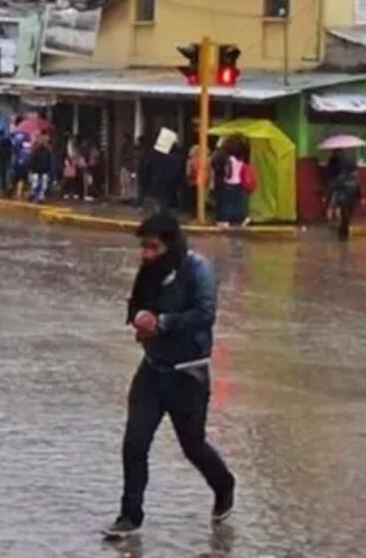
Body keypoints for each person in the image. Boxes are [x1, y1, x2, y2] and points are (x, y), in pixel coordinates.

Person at [106, 212, 236, 539]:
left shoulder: (198, 270)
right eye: (144, 247)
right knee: (134, 444)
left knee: (192, 444)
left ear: (170, 244)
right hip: (152, 371)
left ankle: (224, 484)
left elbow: (205, 314)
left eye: (153, 247)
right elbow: (136, 305)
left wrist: (162, 323)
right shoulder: (149, 272)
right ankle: (130, 515)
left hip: (187, 374)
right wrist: (139, 318)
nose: (146, 254)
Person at [329, 156, 363, 240]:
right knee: (345, 217)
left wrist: (361, 198)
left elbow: (358, 189)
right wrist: (330, 199)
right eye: (355, 171)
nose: (356, 172)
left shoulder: (355, 180)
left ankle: (344, 233)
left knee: (348, 218)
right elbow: (333, 188)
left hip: (351, 201)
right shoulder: (342, 178)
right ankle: (343, 234)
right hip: (343, 201)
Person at [26, 135, 52, 203]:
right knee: (35, 184)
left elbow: (49, 161)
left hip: (44, 170)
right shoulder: (36, 151)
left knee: (43, 185)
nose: (45, 143)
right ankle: (32, 195)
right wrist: (31, 169)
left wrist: (49, 169)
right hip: (37, 170)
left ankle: (40, 197)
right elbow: (32, 160)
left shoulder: (47, 151)